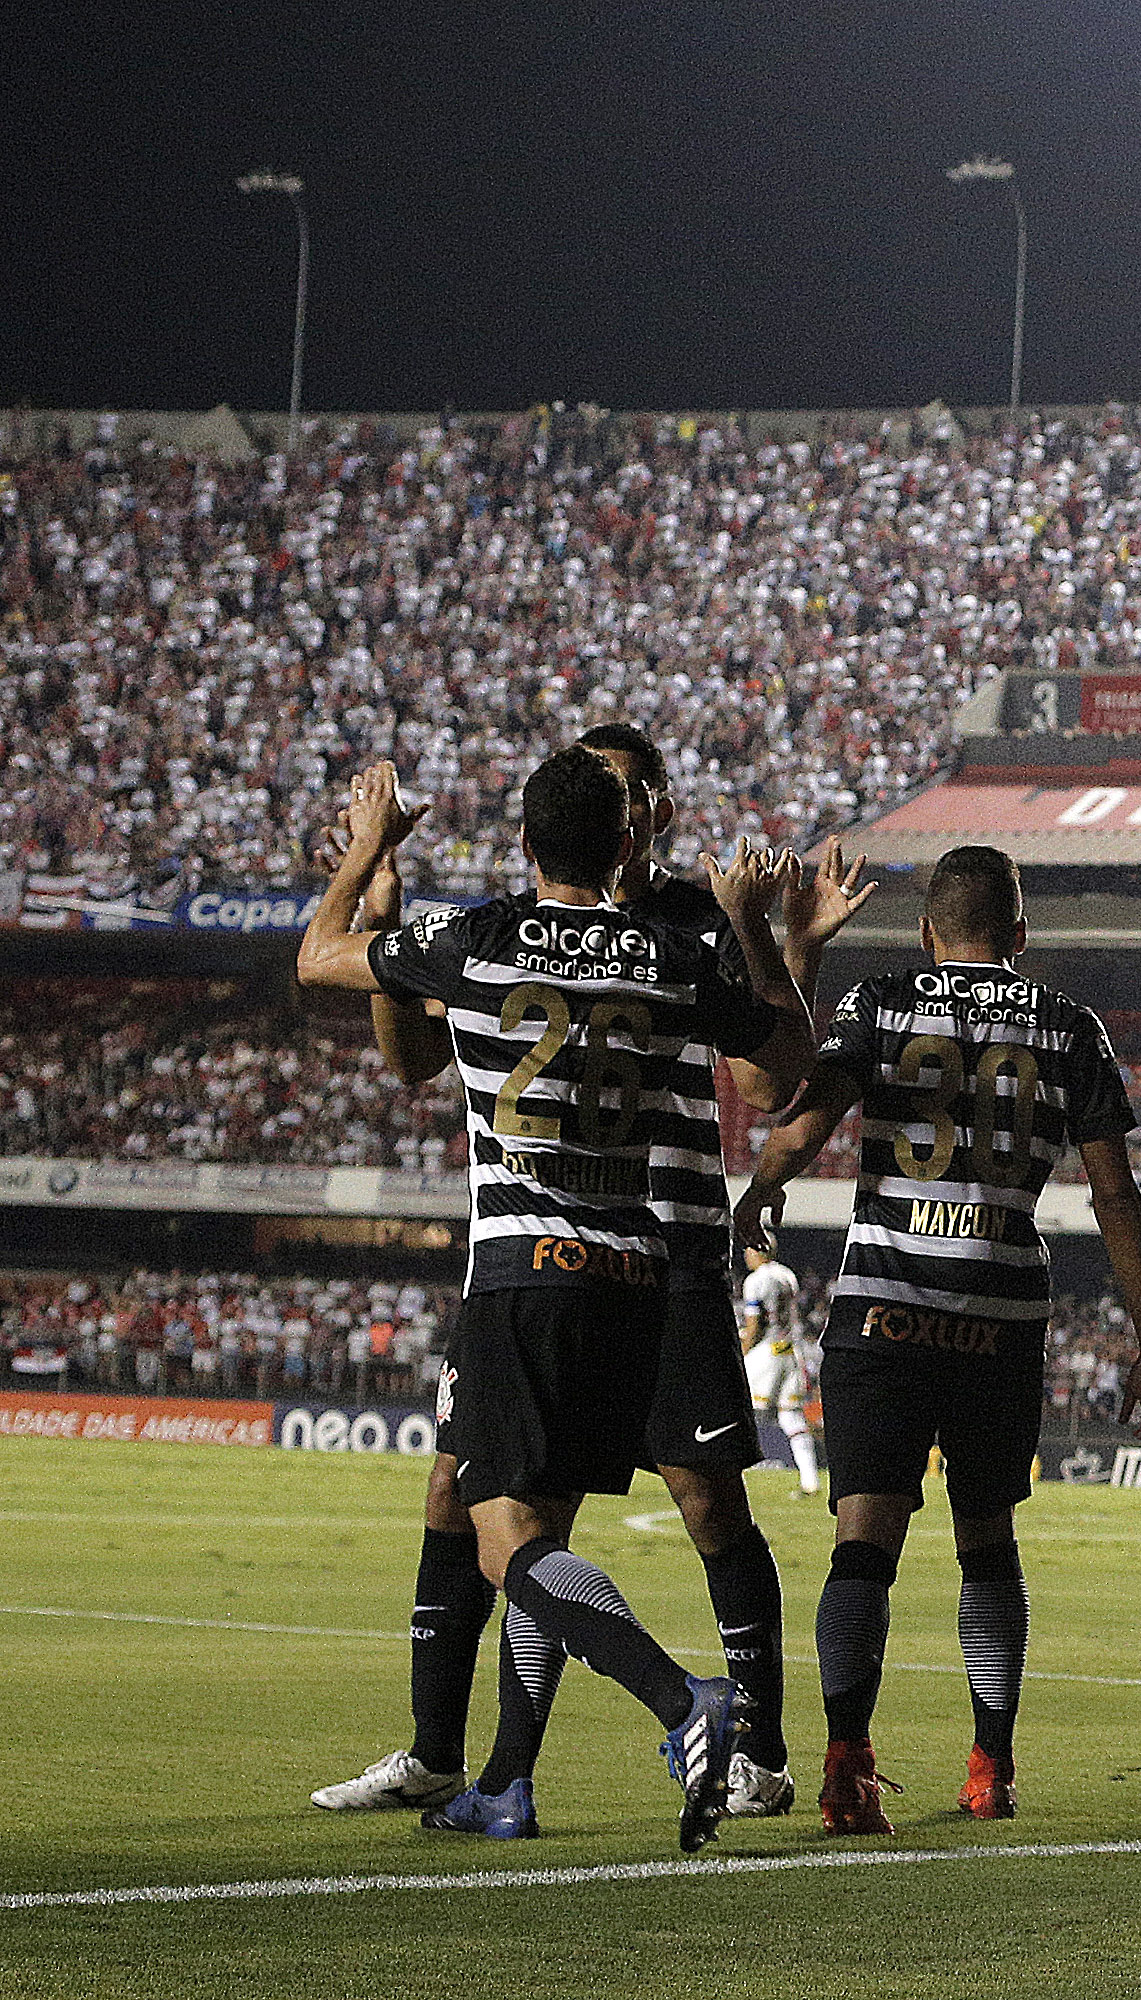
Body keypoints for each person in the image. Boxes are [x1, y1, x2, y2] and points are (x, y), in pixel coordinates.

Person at [306, 723, 866, 1824]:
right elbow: (414, 1051)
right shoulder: (658, 950)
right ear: (617, 830)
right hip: (625, 1260)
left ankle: (725, 1725)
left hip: (625, 1255)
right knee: (503, 1508)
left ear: (647, 808)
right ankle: (487, 1771)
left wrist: (367, 868)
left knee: (653, 1504)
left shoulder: (530, 931)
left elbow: (764, 1077)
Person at [737, 844, 1141, 1835]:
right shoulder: (1068, 1024)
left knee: (863, 1543)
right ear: (1019, 937)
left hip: (884, 1307)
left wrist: (755, 1194)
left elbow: (802, 1123)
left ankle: (847, 1767)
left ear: (929, 931)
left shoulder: (881, 999)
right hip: (999, 1313)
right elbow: (1113, 1191)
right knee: (986, 1541)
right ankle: (991, 1766)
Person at [740, 1246, 819, 1497]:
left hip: (767, 1351)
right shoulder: (787, 1275)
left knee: (739, 1407)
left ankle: (722, 1472)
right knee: (791, 1416)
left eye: (749, 1250)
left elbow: (755, 1325)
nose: (745, 1255)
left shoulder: (755, 1280)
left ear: (759, 1252)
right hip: (791, 1351)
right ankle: (810, 1481)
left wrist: (741, 1351)